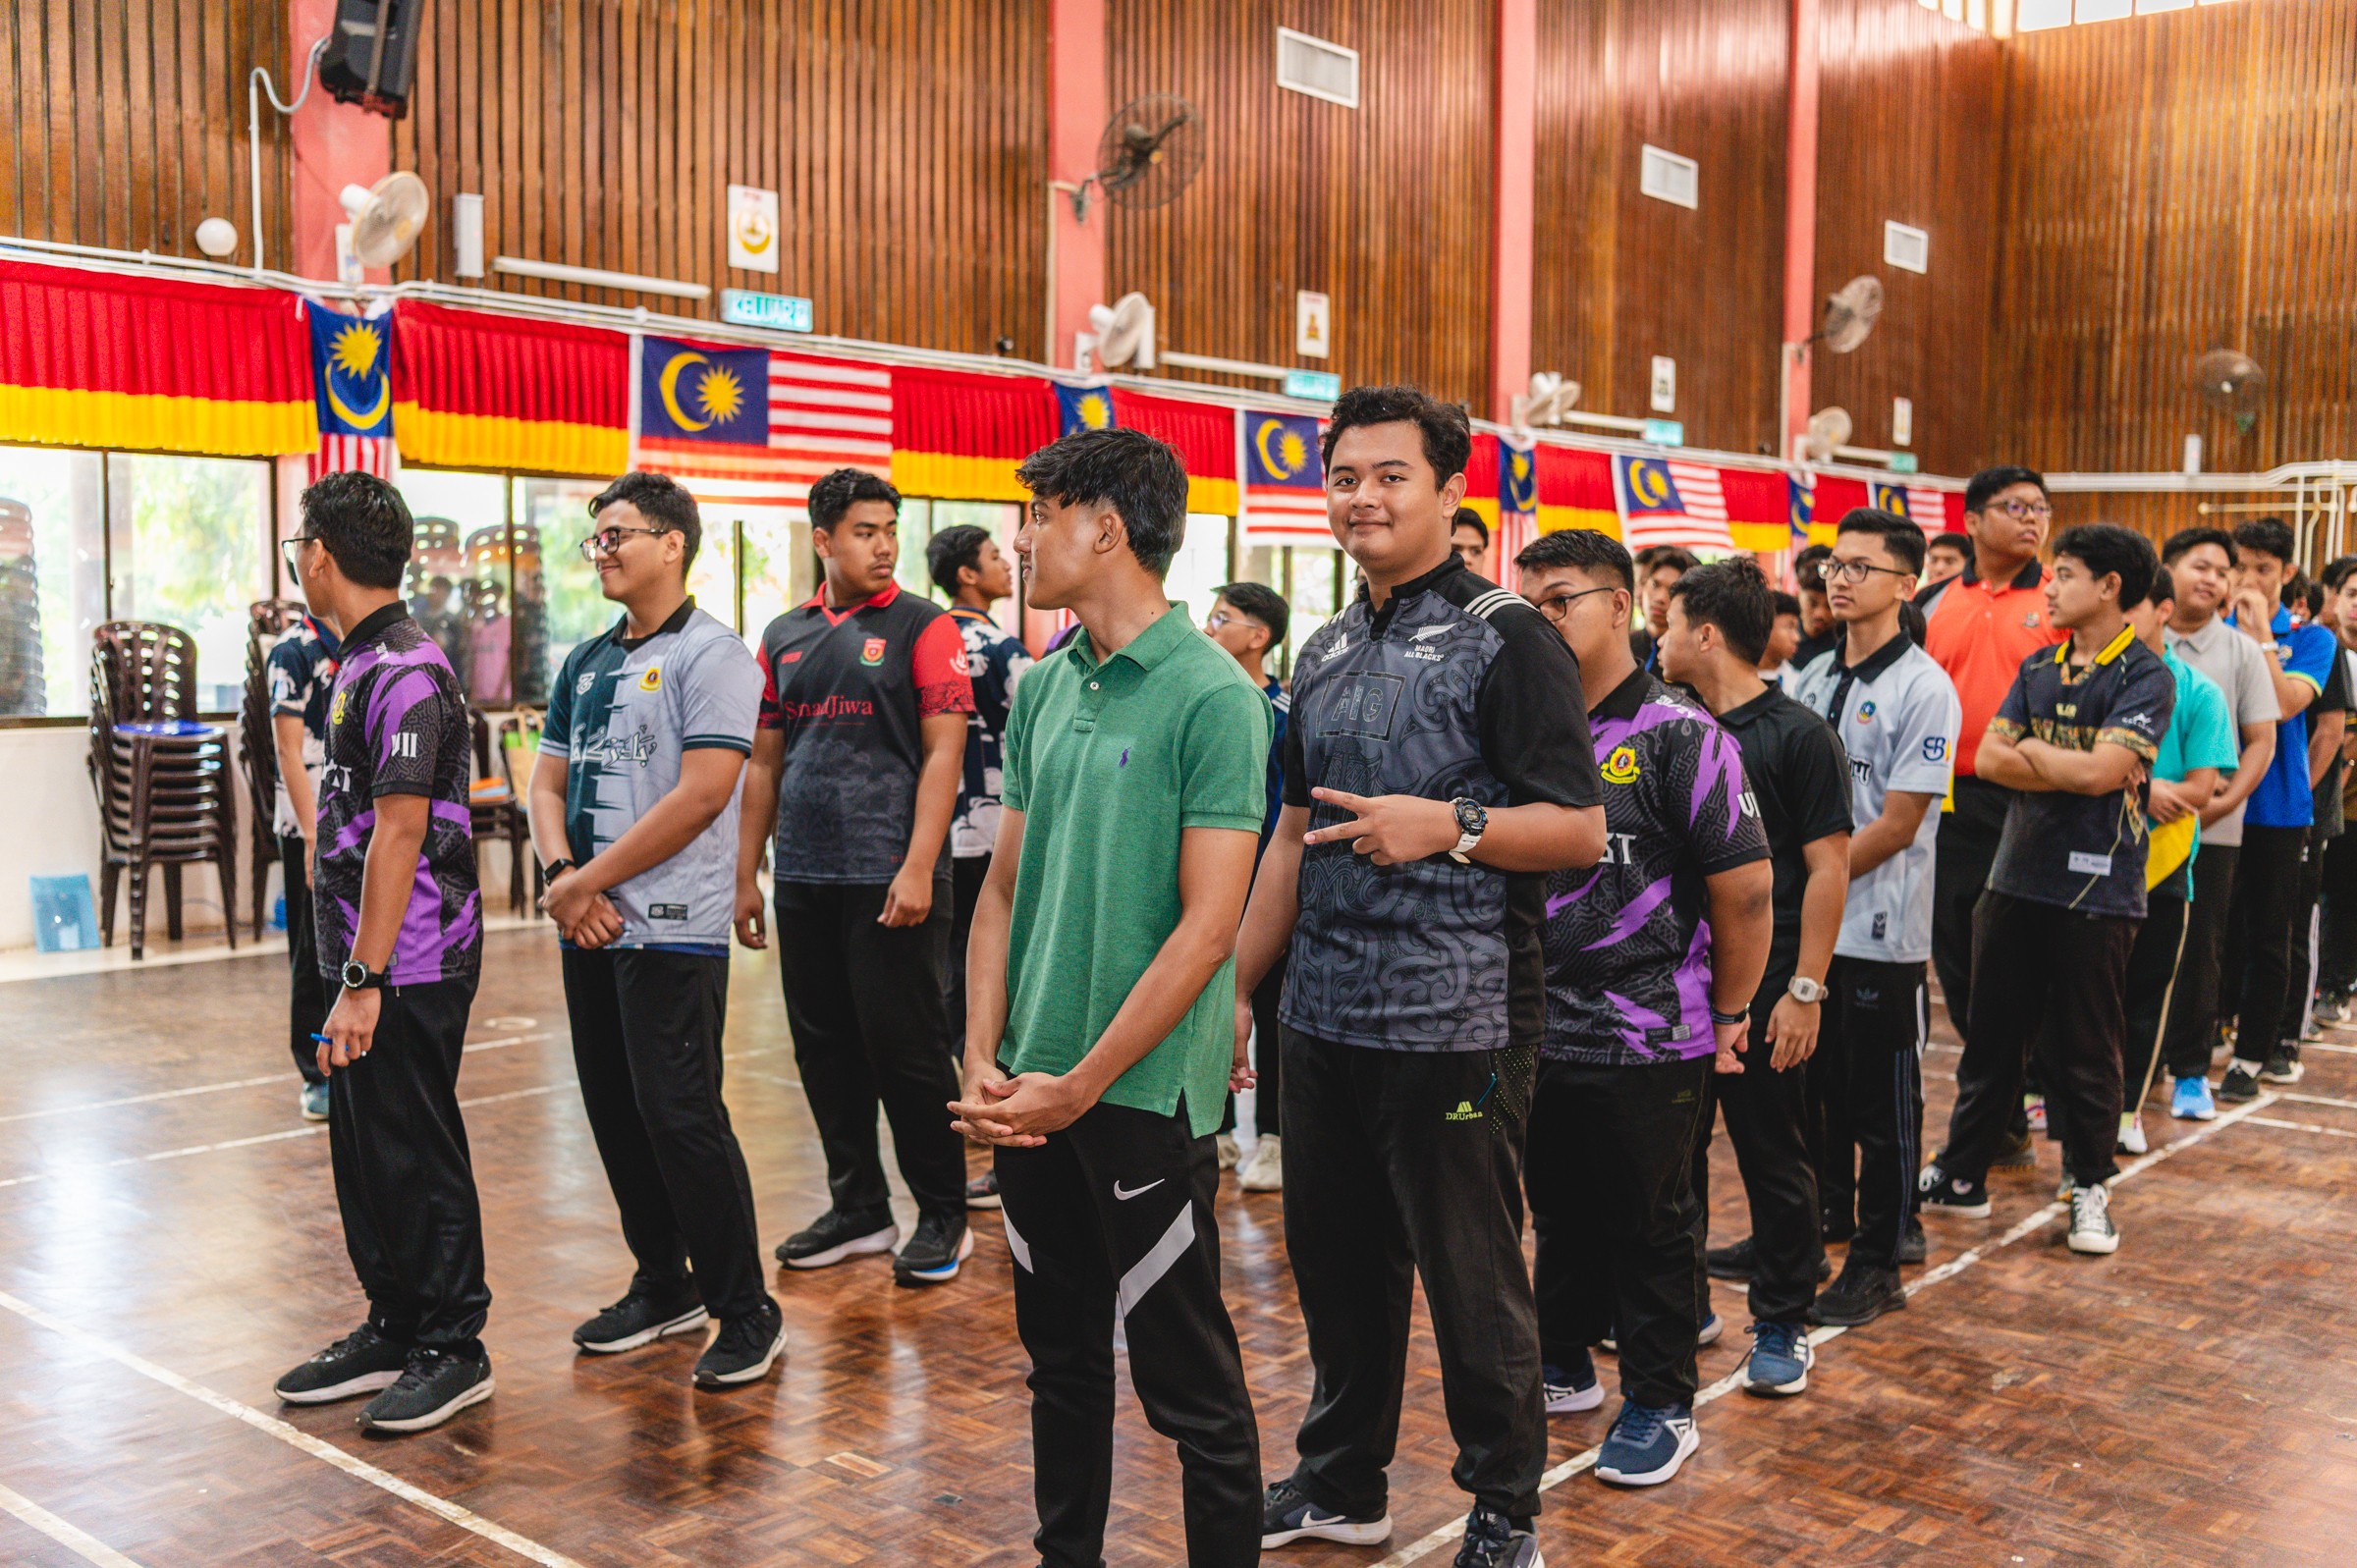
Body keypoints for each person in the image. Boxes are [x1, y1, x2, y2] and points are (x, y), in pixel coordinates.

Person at [1232, 385, 1605, 1568]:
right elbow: (1292, 836)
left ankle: (1505, 1510)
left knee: (1471, 1274)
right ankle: (1344, 1482)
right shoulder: (1326, 646)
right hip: (1322, 1015)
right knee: (1338, 1267)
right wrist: (1236, 988)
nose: (1363, 497)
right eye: (1344, 476)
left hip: (1461, 1020)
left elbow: (1580, 831)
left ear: (1450, 491)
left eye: (1390, 475)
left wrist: (1450, 825)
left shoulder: (1512, 637)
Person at [951, 426, 1270, 1568]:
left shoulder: (1215, 697)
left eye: (1038, 515)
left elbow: (1209, 927)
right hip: (1031, 1090)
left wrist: (1082, 1083)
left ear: (1106, 528)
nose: (1019, 540)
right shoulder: (1044, 686)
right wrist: (983, 1056)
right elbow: (999, 892)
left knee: (1191, 1391)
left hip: (1138, 1096)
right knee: (1064, 1367)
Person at [1514, 529, 1770, 1484]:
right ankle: (1563, 1361)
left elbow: (1747, 890)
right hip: (1538, 1026)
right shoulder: (1525, 730)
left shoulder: (1679, 733)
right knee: (1558, 1211)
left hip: (1653, 1029)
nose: (1542, 621)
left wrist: (1731, 1010)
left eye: (1561, 601)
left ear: (1621, 605)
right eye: (1528, 606)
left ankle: (1661, 1400)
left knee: (1651, 1221)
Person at [526, 471, 783, 1388]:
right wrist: (562, 879)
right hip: (590, 926)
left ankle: (745, 1309)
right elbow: (545, 783)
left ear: (673, 543)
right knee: (614, 1110)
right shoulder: (585, 661)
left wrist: (582, 883)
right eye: (595, 538)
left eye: (618, 534)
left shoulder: (714, 654)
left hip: (672, 927)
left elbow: (705, 793)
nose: (602, 551)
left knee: (681, 1116)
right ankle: (663, 1281)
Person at [270, 471, 492, 1434]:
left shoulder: (406, 668)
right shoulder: (355, 660)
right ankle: (396, 1321)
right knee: (365, 1151)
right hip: (357, 960)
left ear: (321, 556)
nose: (298, 564)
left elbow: (401, 832)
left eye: (298, 548)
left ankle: (454, 1342)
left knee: (414, 1148)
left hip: (411, 961)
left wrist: (362, 980)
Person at [738, 466, 979, 1286]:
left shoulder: (925, 625)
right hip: (806, 876)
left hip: (891, 877)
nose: (883, 546)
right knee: (824, 1050)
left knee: (907, 1050)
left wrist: (918, 865)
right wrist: (747, 874)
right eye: (865, 532)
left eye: (890, 531)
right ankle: (860, 1207)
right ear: (823, 540)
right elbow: (764, 762)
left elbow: (945, 752)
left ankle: (943, 1212)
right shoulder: (783, 634)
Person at [1920, 525, 2174, 1258]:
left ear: (2110, 587)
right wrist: (2069, 758)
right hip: (2016, 876)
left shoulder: (2146, 676)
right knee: (1992, 1038)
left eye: (2064, 574)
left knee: (2088, 1046)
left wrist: (2037, 752)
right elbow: (1990, 758)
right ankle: (1963, 1172)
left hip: (2099, 888)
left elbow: (2102, 775)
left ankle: (2089, 1184)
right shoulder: (2040, 666)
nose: (2050, 588)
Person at [1660, 560, 1852, 1398]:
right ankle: (1685, 1306)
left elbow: (1829, 868)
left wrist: (1805, 988)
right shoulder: (1665, 725)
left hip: (1767, 991)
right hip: (1675, 991)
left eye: (1669, 623)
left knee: (1774, 1158)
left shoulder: (1799, 734)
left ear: (1705, 634)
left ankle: (1783, 1321)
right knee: (1674, 1163)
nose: (1658, 637)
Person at [1788, 511, 1959, 1325]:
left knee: (1881, 1111)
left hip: (1879, 930)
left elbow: (1897, 824)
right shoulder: (1812, 673)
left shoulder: (1924, 686)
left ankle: (1879, 1260)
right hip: (1811, 924)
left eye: (1861, 566)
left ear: (1906, 584)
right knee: (1810, 1094)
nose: (1840, 578)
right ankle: (1809, 1233)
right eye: (1835, 564)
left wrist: (1808, 883)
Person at [1914, 466, 2065, 1160]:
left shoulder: (2059, 597)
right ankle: (2000, 1105)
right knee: (1958, 955)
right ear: (1972, 520)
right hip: (1950, 799)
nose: (2032, 518)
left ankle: (2009, 1107)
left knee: (2017, 959)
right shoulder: (1933, 601)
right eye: (2015, 506)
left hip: (2033, 798)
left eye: (2040, 507)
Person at [2157, 526, 2278, 1120]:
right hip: (2133, 824)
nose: (2213, 579)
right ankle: (2124, 1067)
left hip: (2212, 828)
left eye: (2222, 572)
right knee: (2122, 951)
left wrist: (2223, 806)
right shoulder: (2138, 641)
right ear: (2167, 569)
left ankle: (2188, 1071)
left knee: (2200, 950)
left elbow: (2262, 740)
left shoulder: (2242, 652)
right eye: (2200, 566)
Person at [2115, 563, 2236, 1154]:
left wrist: (2148, 789)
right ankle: (2045, 1093)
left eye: (2131, 605)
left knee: (2145, 998)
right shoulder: (2076, 680)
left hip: (2161, 868)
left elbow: (2202, 787)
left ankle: (2126, 1112)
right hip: (2079, 865)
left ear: (2162, 610)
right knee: (2072, 997)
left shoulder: (2198, 691)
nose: (2118, 617)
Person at [2214, 516, 2335, 1102]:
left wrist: (2261, 634)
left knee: (2269, 937)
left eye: (2262, 569)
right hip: (2210, 804)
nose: (2247, 580)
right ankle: (2199, 1038)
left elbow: (2286, 705)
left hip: (2277, 810)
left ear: (2287, 573)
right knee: (2211, 933)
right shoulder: (2207, 632)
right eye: (2238, 566)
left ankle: (2253, 1054)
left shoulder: (2312, 640)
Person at [925, 524, 1033, 1084]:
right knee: (990, 954)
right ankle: (983, 1063)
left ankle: (953, 1061)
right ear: (967, 575)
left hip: (938, 829)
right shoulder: (1001, 648)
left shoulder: (925, 641)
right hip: (997, 830)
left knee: (950, 954)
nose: (1008, 563)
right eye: (994, 556)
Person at [1203, 579, 1293, 1192]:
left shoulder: (1283, 715)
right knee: (1208, 1008)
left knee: (1270, 1012)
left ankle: (1274, 1140)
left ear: (1258, 637)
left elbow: (1288, 819)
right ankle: (1215, 1130)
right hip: (1210, 888)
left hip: (1266, 892)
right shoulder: (1207, 701)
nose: (1209, 629)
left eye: (1222, 618)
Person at [265, 608, 343, 1122]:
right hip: (307, 825)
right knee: (311, 950)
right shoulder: (291, 651)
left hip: (356, 819)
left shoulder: (362, 643)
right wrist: (314, 834)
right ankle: (315, 1074)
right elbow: (287, 751)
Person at [2280, 568, 2352, 1054]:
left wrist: (2300, 795)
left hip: (2311, 807)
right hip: (2266, 805)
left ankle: (2300, 1018)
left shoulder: (2320, 648)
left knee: (2327, 907)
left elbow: (2333, 736)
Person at [2314, 560, 2357, 1020]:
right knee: (2329, 897)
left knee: (2346, 899)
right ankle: (2326, 985)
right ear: (2336, 598)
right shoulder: (2319, 650)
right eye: (2352, 593)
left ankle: (2337, 982)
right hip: (2329, 799)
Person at [1630, 545, 1697, 672]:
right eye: (1655, 585)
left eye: (1672, 590)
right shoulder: (1623, 647)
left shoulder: (1692, 660)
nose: (1660, 598)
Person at [1792, 544, 1838, 670]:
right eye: (1812, 603)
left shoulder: (1843, 649)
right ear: (1798, 594)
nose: (1820, 614)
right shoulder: (1779, 641)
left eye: (1829, 605)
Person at [1759, 590, 1803, 684]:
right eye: (1790, 627)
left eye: (1796, 629)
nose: (1797, 638)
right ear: (1765, 626)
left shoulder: (1799, 682)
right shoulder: (1735, 677)